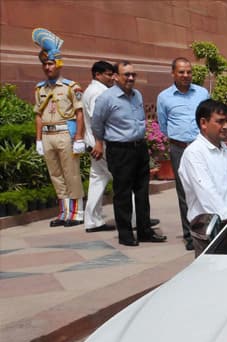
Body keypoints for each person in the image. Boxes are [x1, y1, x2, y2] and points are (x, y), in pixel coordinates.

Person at [91, 61, 166, 247]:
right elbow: (96, 123)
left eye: (133, 74)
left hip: (139, 148)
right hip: (120, 150)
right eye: (127, 75)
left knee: (142, 192)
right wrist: (99, 143)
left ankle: (145, 230)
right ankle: (125, 234)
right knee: (123, 194)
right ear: (116, 76)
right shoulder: (106, 98)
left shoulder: (137, 95)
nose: (131, 78)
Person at [32, 27, 86, 227]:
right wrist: (38, 140)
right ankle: (64, 212)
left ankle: (77, 212)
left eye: (51, 63)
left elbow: (80, 113)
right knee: (55, 175)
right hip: (48, 134)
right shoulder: (40, 89)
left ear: (58, 64)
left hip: (65, 132)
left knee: (71, 173)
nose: (48, 67)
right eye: (45, 64)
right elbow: (38, 115)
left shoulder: (71, 87)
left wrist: (79, 137)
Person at [178, 99, 227, 257]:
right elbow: (206, 193)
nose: (226, 126)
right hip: (210, 231)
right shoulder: (194, 153)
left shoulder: (226, 151)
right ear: (203, 123)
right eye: (220, 121)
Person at [157, 57, 209, 251]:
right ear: (173, 73)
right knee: (184, 192)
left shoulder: (202, 93)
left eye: (188, 71)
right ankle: (190, 235)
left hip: (201, 147)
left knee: (205, 186)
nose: (186, 75)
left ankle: (209, 229)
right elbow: (163, 124)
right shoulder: (164, 97)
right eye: (181, 72)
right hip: (179, 148)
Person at [81, 60, 116, 233]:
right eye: (109, 75)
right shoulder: (97, 92)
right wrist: (99, 143)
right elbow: (98, 119)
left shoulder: (94, 90)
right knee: (124, 178)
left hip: (95, 142)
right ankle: (134, 219)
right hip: (101, 144)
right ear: (97, 75)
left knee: (98, 179)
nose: (112, 78)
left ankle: (92, 221)